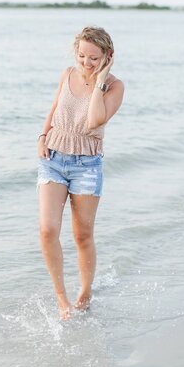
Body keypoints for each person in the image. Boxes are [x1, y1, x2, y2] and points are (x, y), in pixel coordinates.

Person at [37, 26, 124, 320]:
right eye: (81, 55)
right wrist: (41, 136)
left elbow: (94, 120)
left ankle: (85, 292)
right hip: (53, 157)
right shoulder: (67, 74)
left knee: (82, 235)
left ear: (108, 57)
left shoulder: (114, 86)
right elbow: (54, 107)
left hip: (87, 163)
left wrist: (99, 81)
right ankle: (62, 298)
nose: (85, 63)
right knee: (48, 230)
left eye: (94, 58)